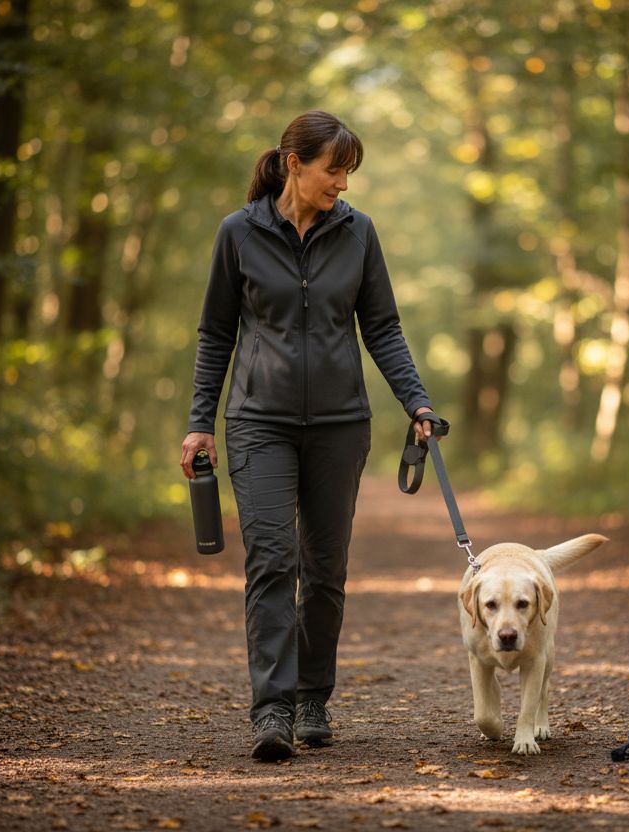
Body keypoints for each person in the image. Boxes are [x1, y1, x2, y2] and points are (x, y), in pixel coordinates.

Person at [180, 110, 437, 762]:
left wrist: (417, 401)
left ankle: (312, 698)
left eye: (349, 172)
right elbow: (216, 333)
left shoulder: (358, 234)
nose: (343, 184)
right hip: (256, 422)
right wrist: (197, 423)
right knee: (272, 561)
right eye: (334, 169)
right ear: (295, 164)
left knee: (324, 572)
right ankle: (272, 711)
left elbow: (381, 326)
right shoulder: (237, 234)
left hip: (339, 425)